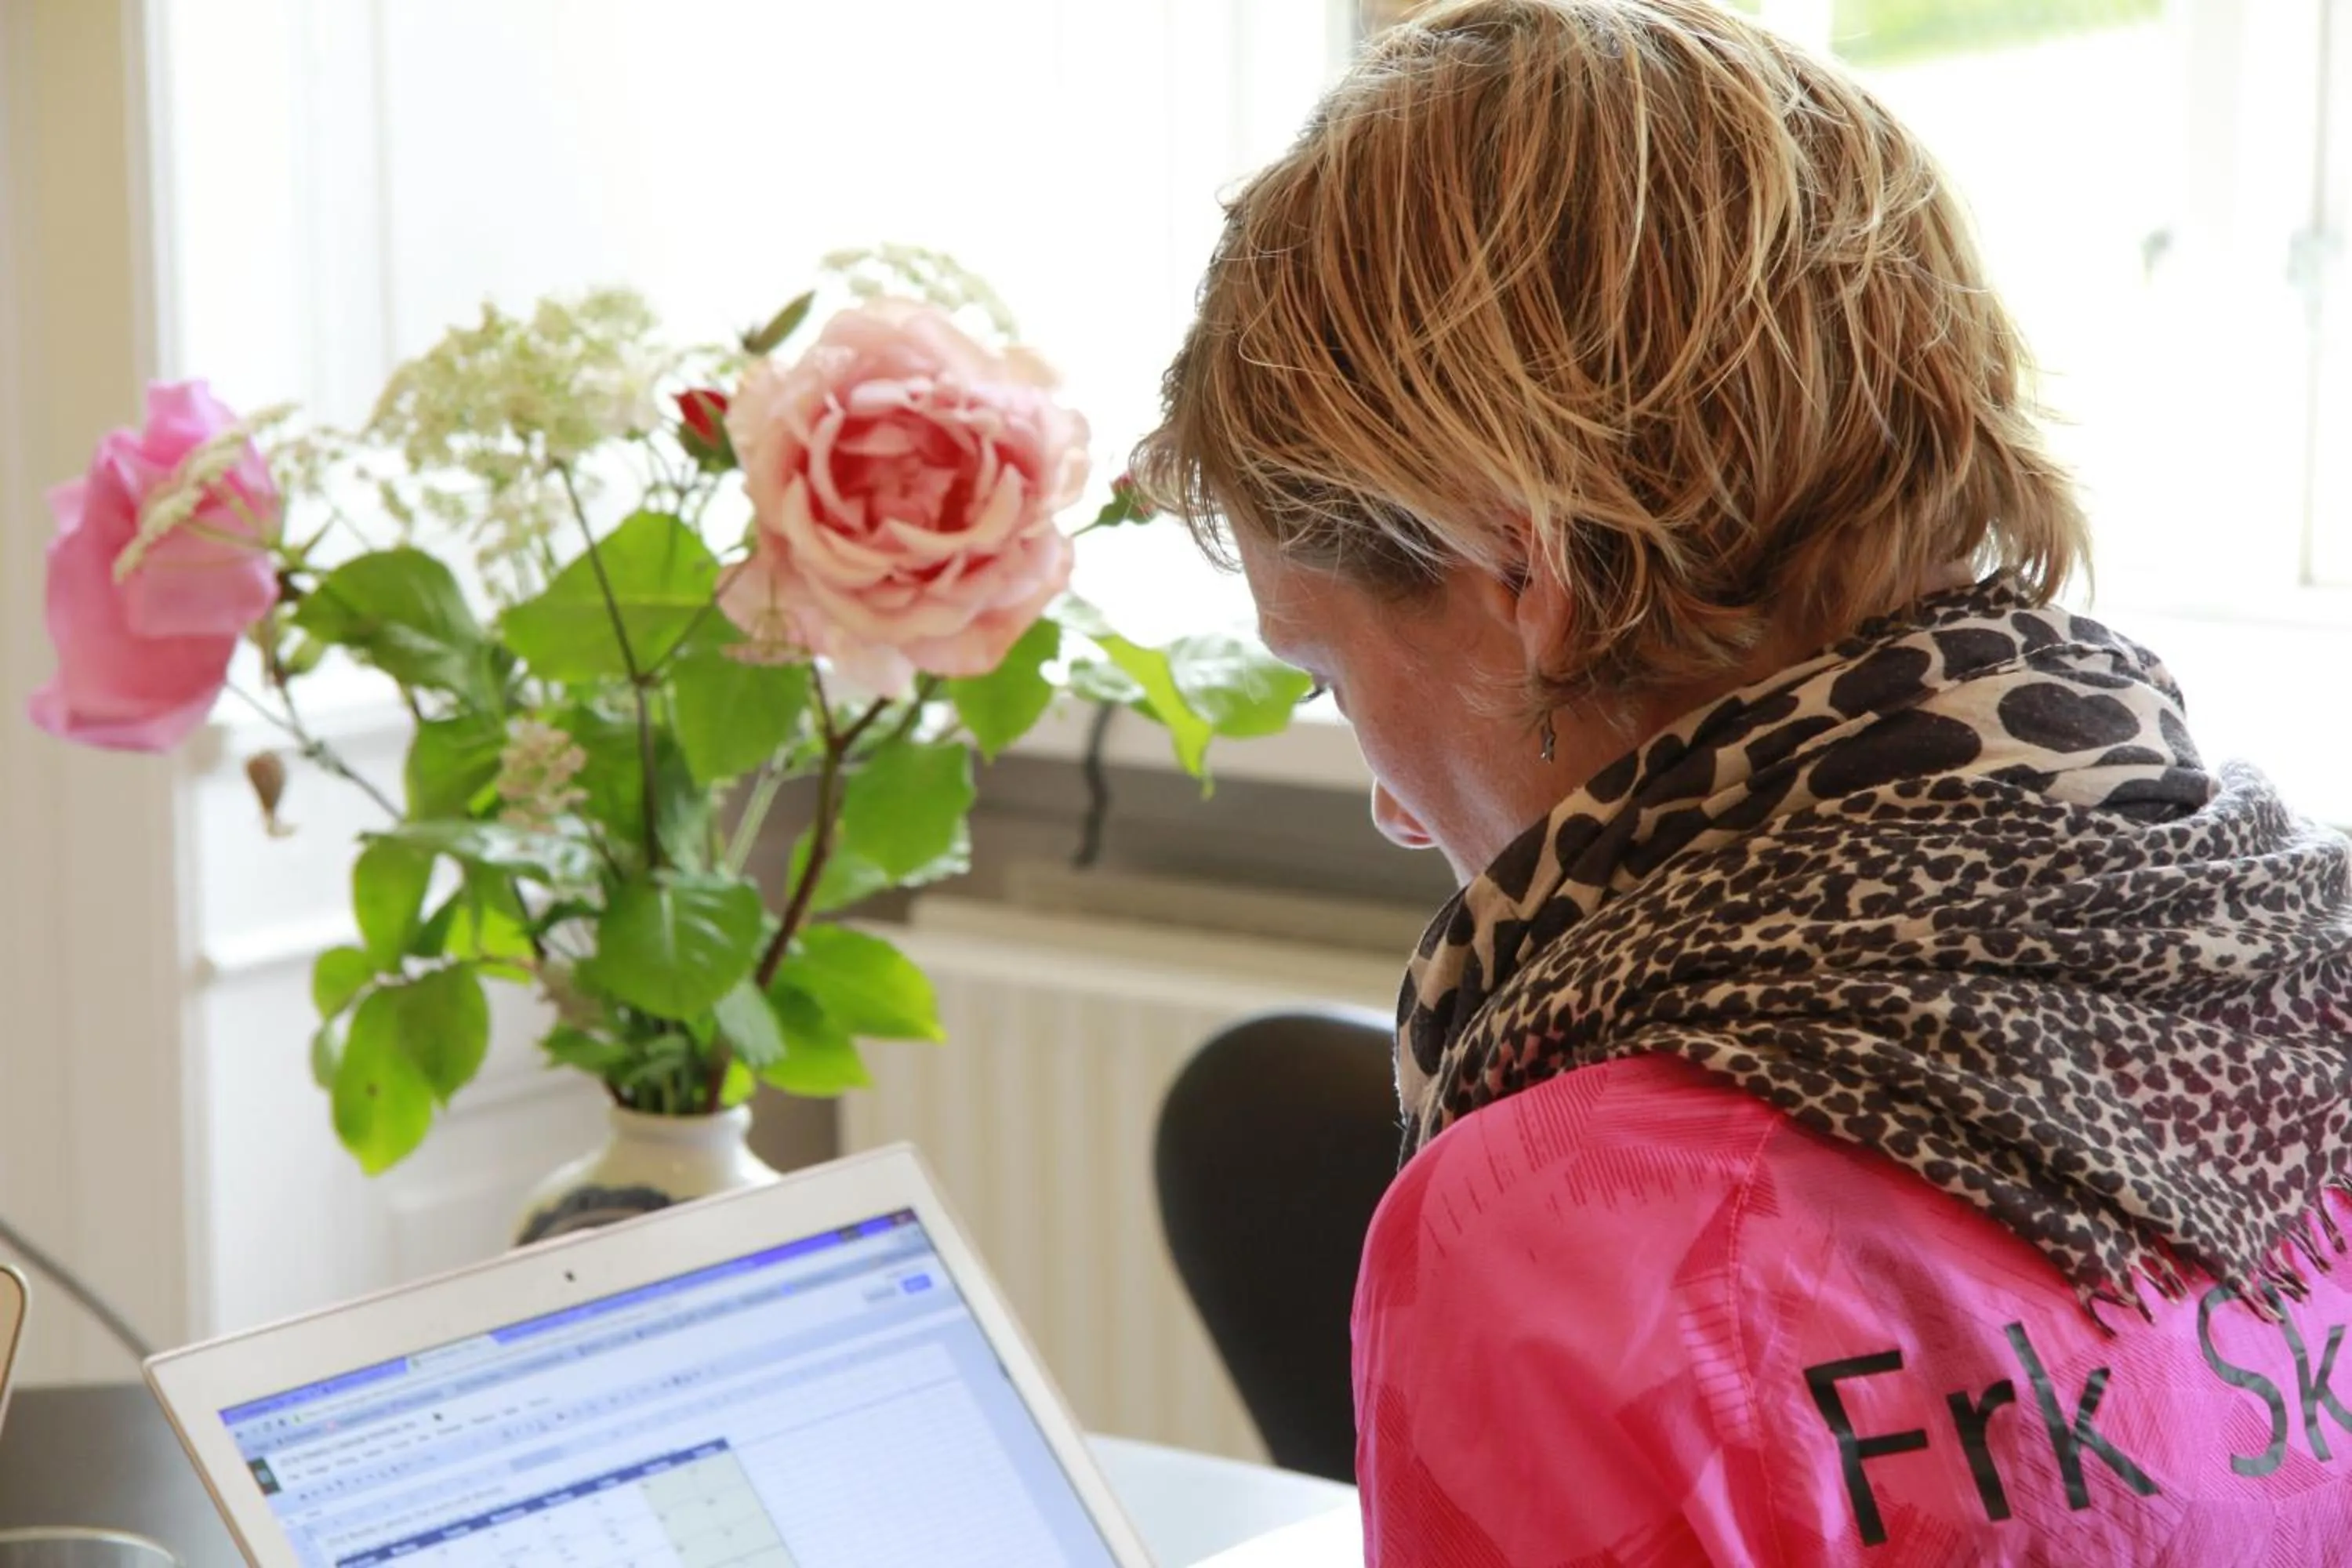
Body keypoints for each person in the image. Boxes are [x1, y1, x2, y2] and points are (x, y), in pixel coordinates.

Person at [1131, 0, 2352, 1560]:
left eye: (1326, 668)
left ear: (1519, 566)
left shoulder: (1557, 1235)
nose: (1384, 801)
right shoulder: (2309, 967)